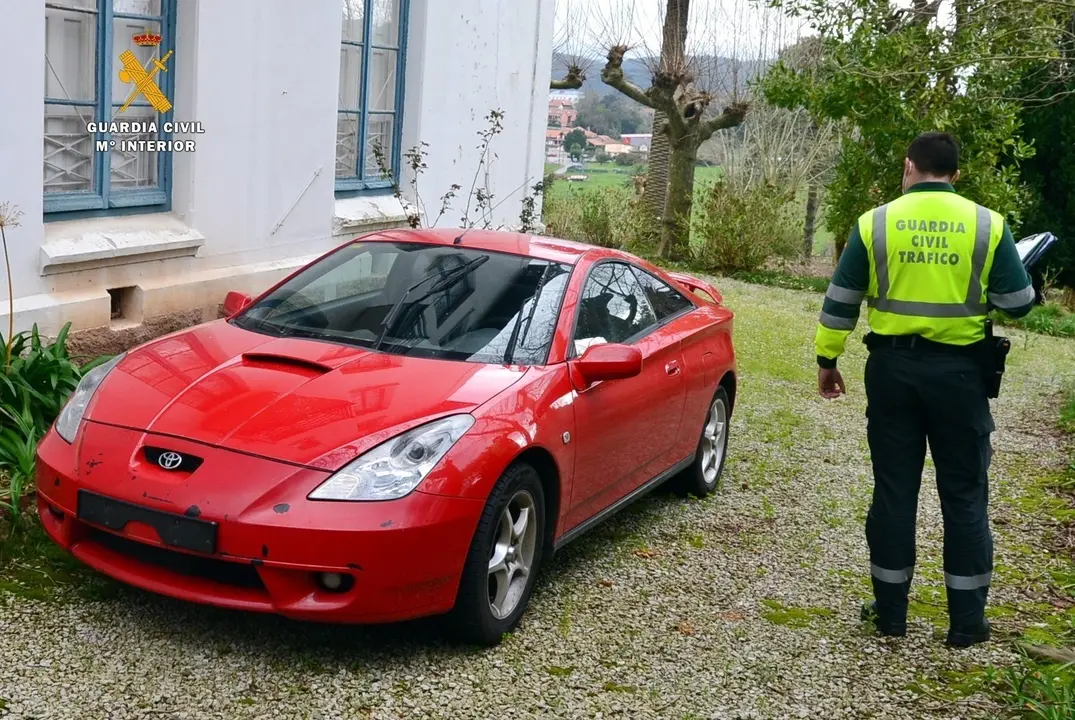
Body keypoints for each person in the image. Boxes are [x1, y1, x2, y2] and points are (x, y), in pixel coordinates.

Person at [814, 132, 1035, 647]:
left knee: (894, 491)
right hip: (961, 378)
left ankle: (891, 614)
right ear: (955, 175)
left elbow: (840, 302)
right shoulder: (987, 224)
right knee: (964, 495)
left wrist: (828, 359)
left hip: (891, 372)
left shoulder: (875, 223)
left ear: (908, 165)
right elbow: (1019, 301)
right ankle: (965, 624)